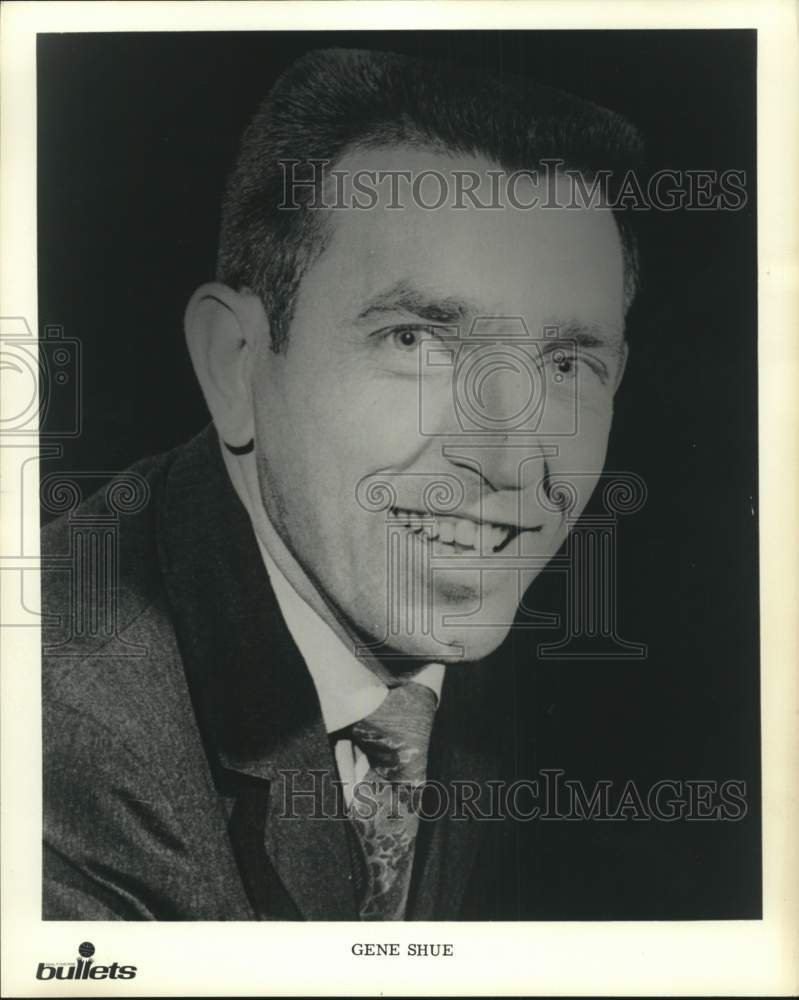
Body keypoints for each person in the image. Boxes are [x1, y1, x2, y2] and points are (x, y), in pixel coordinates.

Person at [41, 47, 643, 920]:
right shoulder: (60, 735)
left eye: (566, 362)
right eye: (416, 343)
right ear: (235, 363)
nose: (512, 463)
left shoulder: (553, 674)